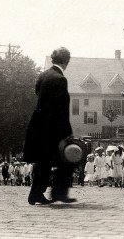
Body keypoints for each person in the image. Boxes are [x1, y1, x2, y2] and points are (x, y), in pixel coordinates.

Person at [23, 47, 75, 205]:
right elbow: (62, 108)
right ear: (67, 61)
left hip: (38, 125)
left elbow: (39, 96)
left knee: (43, 162)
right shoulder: (60, 79)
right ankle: (58, 193)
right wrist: (67, 132)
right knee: (67, 159)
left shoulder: (42, 76)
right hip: (53, 128)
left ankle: (36, 194)